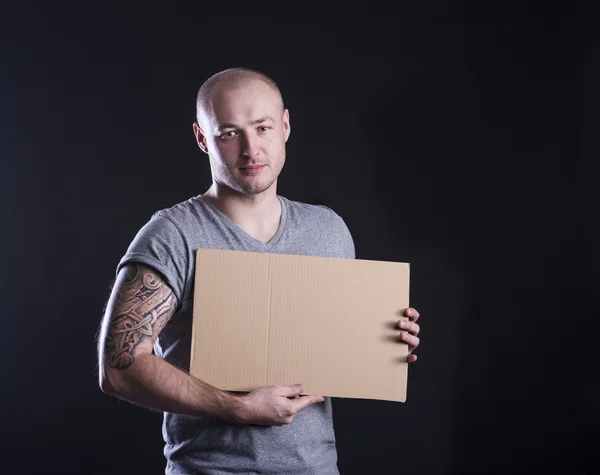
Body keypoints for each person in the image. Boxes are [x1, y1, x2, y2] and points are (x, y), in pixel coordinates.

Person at [97, 67, 421, 475]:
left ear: (285, 125)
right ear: (202, 139)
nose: (251, 150)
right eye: (230, 133)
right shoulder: (172, 234)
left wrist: (386, 343)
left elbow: (331, 350)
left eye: (263, 127)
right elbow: (119, 367)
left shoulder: (329, 230)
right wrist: (239, 408)